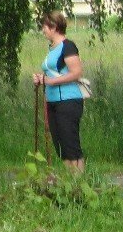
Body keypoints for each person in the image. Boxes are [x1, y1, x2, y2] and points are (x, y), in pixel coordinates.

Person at [31, 12, 85, 174]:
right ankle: (69, 182)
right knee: (60, 145)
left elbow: (76, 73)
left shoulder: (67, 46)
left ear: (54, 27)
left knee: (70, 144)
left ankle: (79, 184)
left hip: (68, 100)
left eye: (45, 27)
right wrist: (41, 79)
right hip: (52, 101)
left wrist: (51, 81)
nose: (43, 30)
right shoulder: (52, 48)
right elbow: (54, 73)